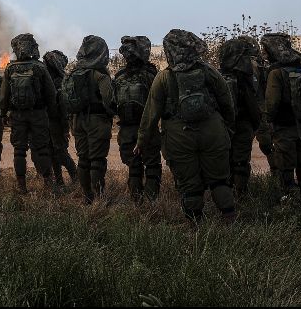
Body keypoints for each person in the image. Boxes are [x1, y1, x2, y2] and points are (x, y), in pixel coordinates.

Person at [137, 29, 236, 223]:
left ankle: (195, 228)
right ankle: (229, 221)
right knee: (219, 180)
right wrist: (228, 128)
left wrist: (142, 140)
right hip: (213, 131)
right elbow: (227, 102)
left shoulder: (163, 77)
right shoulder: (209, 71)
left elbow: (151, 113)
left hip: (178, 136)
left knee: (190, 186)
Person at [261, 33, 301, 200]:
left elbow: (272, 102)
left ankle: (291, 199)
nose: (263, 52)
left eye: (265, 49)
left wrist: (269, 120)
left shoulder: (276, 72)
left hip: (284, 126)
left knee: (286, 165)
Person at [0, 33, 57, 194]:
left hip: (18, 116)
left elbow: (3, 96)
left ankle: (21, 186)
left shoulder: (10, 69)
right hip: (38, 114)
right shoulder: (39, 67)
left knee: (19, 151)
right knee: (43, 148)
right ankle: (48, 184)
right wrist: (51, 113)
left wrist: (3, 114)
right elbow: (51, 94)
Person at [63, 36, 115, 204]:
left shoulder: (72, 73)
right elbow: (109, 100)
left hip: (77, 121)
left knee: (83, 160)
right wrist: (110, 114)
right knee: (97, 160)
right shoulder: (100, 75)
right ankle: (100, 197)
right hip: (97, 122)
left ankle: (87, 197)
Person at [114, 36, 162, 202]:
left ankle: (136, 202)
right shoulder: (152, 75)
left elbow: (113, 103)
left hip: (126, 129)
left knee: (134, 167)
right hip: (148, 128)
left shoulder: (119, 76)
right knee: (152, 166)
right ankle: (151, 203)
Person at [218, 37, 262, 196]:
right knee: (241, 162)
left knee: (228, 161)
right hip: (242, 124)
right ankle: (240, 194)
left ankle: (230, 193)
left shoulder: (220, 76)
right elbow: (255, 103)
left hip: (226, 126)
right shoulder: (247, 75)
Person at [43, 50, 77, 187]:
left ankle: (75, 177)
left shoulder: (59, 81)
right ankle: (59, 181)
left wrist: (64, 128)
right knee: (53, 153)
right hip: (49, 121)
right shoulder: (51, 79)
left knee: (60, 153)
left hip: (56, 122)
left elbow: (63, 108)